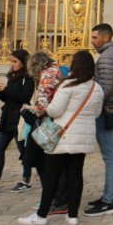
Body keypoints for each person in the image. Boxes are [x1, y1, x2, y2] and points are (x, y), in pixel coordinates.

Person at [18, 50, 104, 225]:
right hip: (83, 138)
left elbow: (54, 110)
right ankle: (72, 215)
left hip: (62, 136)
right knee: (75, 176)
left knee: (51, 177)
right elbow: (96, 113)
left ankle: (41, 215)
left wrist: (45, 108)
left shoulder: (68, 85)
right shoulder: (97, 88)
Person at [85, 23, 113, 217]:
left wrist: (91, 103)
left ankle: (109, 200)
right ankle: (107, 197)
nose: (92, 41)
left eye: (94, 38)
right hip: (111, 109)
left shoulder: (107, 57)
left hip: (105, 110)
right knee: (109, 156)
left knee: (110, 157)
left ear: (106, 37)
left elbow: (105, 89)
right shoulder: (112, 54)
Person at [22, 52, 67, 207]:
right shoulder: (60, 70)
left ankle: (54, 198)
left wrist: (34, 110)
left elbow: (42, 102)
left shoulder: (46, 74)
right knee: (60, 163)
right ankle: (58, 197)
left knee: (43, 161)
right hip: (63, 119)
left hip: (49, 122)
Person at [0, 49, 34, 193]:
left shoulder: (28, 78)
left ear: (23, 62)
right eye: (11, 61)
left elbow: (24, 97)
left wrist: (7, 90)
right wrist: (0, 91)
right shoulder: (11, 76)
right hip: (7, 118)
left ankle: (26, 180)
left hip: (19, 119)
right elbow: (8, 98)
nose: (12, 65)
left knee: (23, 151)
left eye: (15, 62)